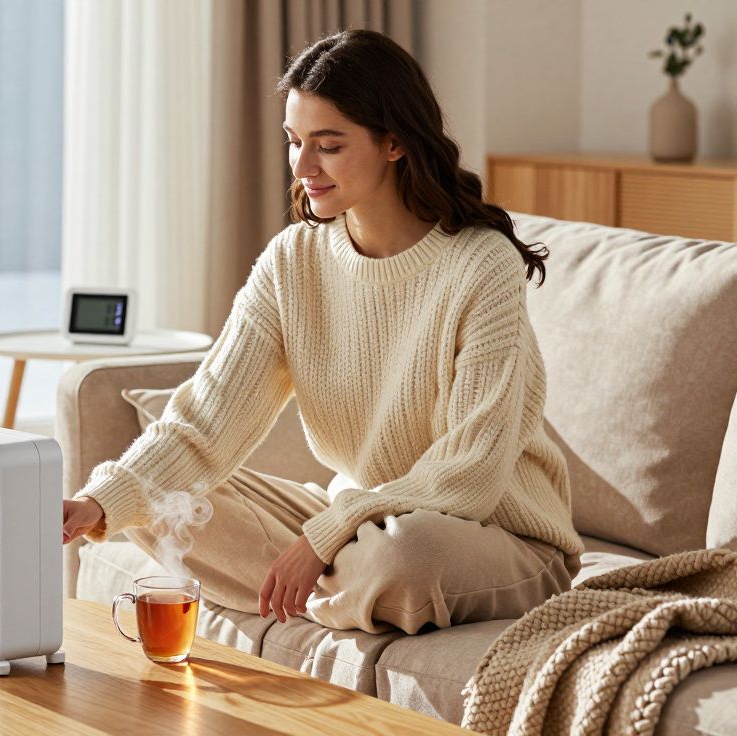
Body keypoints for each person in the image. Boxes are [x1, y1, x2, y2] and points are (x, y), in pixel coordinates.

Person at [59, 28, 583, 636]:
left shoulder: (481, 265)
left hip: (492, 535)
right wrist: (100, 501)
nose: (303, 167)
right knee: (154, 502)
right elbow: (206, 420)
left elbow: (471, 471)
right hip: (362, 520)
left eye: (328, 146)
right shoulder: (293, 260)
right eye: (294, 142)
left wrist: (326, 535)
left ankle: (327, 586)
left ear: (394, 142)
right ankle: (341, 591)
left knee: (402, 558)